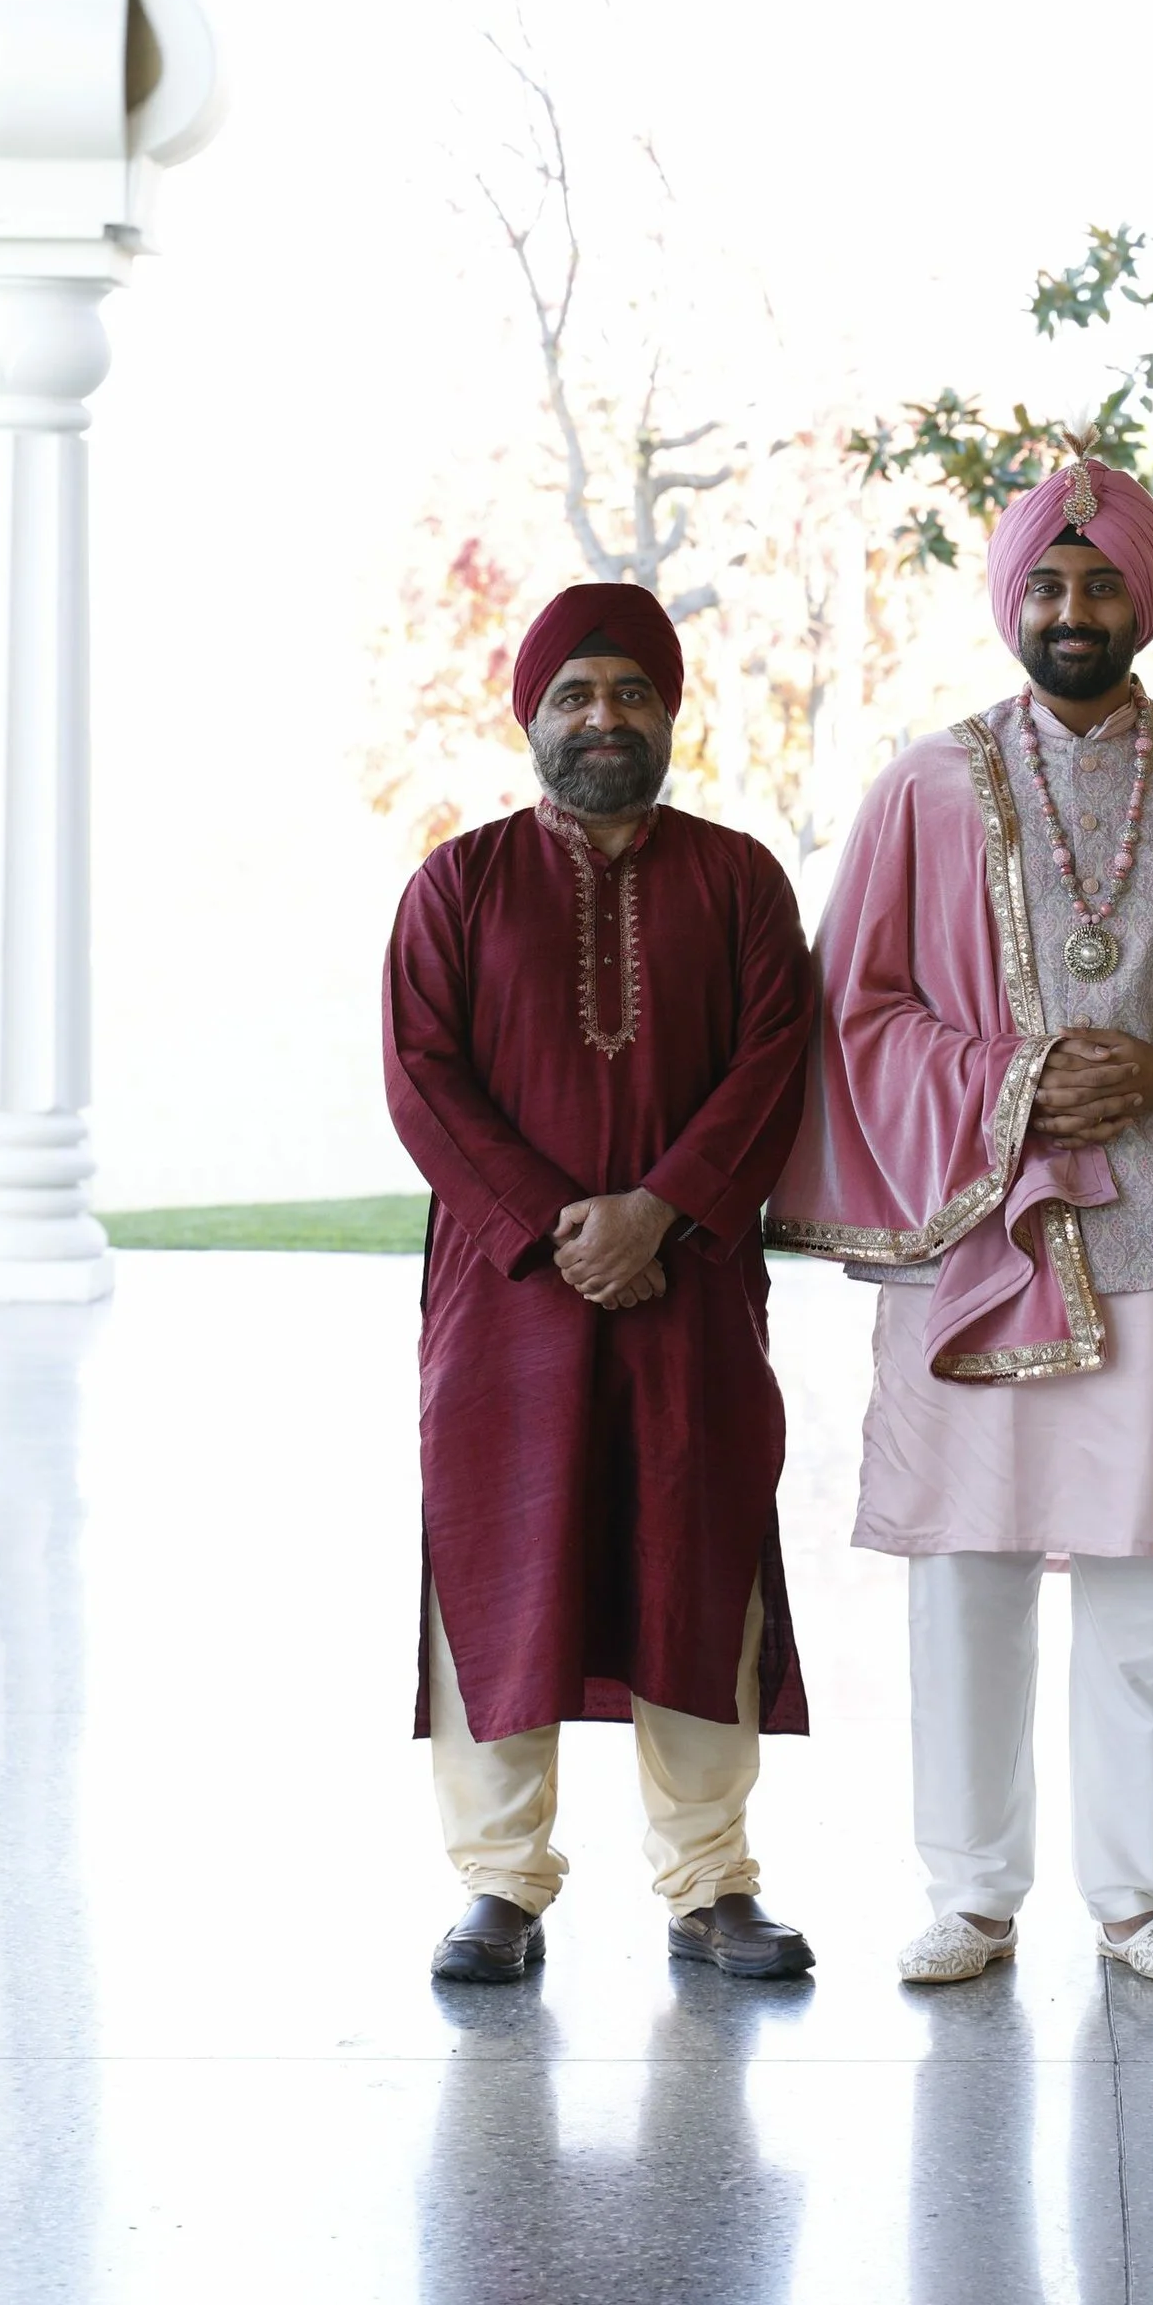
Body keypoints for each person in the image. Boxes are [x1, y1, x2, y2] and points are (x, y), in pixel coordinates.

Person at [772, 451, 1153, 1989]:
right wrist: (1013, 1082)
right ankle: (971, 1891)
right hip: (977, 1240)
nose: (1073, 609)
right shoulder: (928, 784)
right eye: (1048, 587)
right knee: (971, 1575)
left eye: (1100, 585)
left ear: (1147, 599)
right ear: (1013, 602)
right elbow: (856, 1009)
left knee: (1152, 1586)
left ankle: (1139, 1901)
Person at [383, 582, 819, 1985]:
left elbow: (773, 1070)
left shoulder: (740, 881)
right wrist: (554, 1225)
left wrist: (659, 1213)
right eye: (575, 695)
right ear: (532, 718)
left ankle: (712, 1884)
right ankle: (500, 1888)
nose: (604, 716)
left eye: (630, 691)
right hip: (506, 1297)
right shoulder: (459, 883)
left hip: (687, 1291)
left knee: (695, 1562)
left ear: (669, 709)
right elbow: (421, 1079)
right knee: (500, 1561)